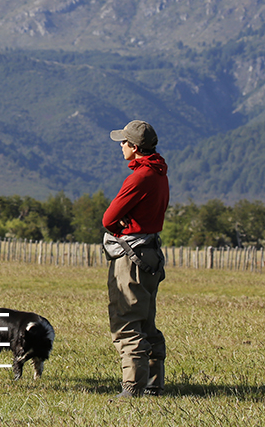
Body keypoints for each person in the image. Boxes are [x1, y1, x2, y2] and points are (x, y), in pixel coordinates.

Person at [102, 119, 169, 398]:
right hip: (152, 254)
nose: (120, 146)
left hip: (132, 259)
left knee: (126, 320)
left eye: (124, 142)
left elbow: (108, 218)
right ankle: (154, 382)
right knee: (146, 321)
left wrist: (118, 229)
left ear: (134, 146)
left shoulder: (138, 178)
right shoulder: (160, 174)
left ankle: (132, 386)